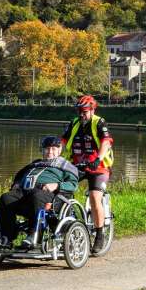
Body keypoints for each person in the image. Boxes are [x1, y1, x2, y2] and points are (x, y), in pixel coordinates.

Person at [0, 135, 79, 249]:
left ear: (59, 150)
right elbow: (20, 176)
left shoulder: (65, 166)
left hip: (50, 196)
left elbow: (73, 185)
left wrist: (57, 185)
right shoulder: (35, 164)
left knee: (36, 196)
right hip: (25, 193)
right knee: (5, 198)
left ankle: (34, 236)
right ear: (42, 150)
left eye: (53, 149)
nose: (50, 152)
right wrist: (17, 184)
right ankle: (6, 237)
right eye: (47, 149)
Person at [61, 94, 114, 251]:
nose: (82, 114)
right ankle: (67, 223)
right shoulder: (74, 123)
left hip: (99, 167)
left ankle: (99, 235)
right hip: (77, 165)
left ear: (92, 110)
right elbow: (62, 141)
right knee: (61, 190)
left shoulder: (99, 122)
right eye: (79, 111)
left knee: (94, 197)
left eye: (84, 111)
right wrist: (54, 154)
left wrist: (98, 158)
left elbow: (106, 141)